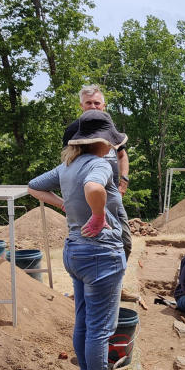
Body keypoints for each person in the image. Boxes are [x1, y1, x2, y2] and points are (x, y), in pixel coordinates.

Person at [27, 110, 129, 370]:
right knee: (100, 327)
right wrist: (98, 216)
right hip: (100, 252)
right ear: (103, 142)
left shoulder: (68, 166)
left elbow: (34, 186)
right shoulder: (99, 164)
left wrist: (63, 204)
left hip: (74, 249)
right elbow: (94, 188)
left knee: (84, 320)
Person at [69, 85, 132, 261]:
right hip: (88, 197)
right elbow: (68, 164)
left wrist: (123, 182)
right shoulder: (73, 130)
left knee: (125, 242)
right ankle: (98, 285)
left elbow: (122, 155)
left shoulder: (109, 128)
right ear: (81, 106)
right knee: (93, 242)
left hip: (112, 195)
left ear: (104, 106)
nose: (93, 106)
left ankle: (115, 282)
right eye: (88, 103)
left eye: (97, 103)